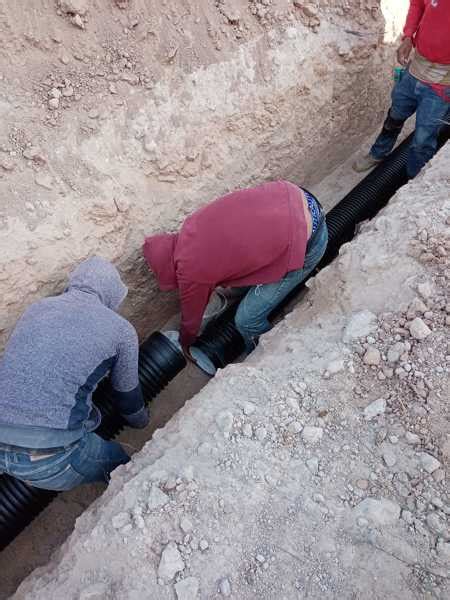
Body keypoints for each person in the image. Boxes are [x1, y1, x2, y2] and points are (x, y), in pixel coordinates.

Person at [143, 181, 328, 373]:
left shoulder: (191, 272)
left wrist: (185, 342)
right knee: (232, 284)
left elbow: (191, 319)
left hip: (308, 246)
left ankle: (265, 362)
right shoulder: (191, 225)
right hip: (295, 198)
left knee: (246, 320)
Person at [0, 257, 149, 491]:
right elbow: (127, 396)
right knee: (121, 462)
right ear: (111, 293)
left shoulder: (36, 308)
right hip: (49, 458)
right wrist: (142, 422)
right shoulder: (122, 331)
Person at [354, 0, 450, 179]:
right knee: (395, 115)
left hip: (442, 83)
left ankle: (412, 182)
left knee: (423, 139)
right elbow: (417, 5)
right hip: (416, 68)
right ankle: (378, 153)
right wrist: (408, 36)